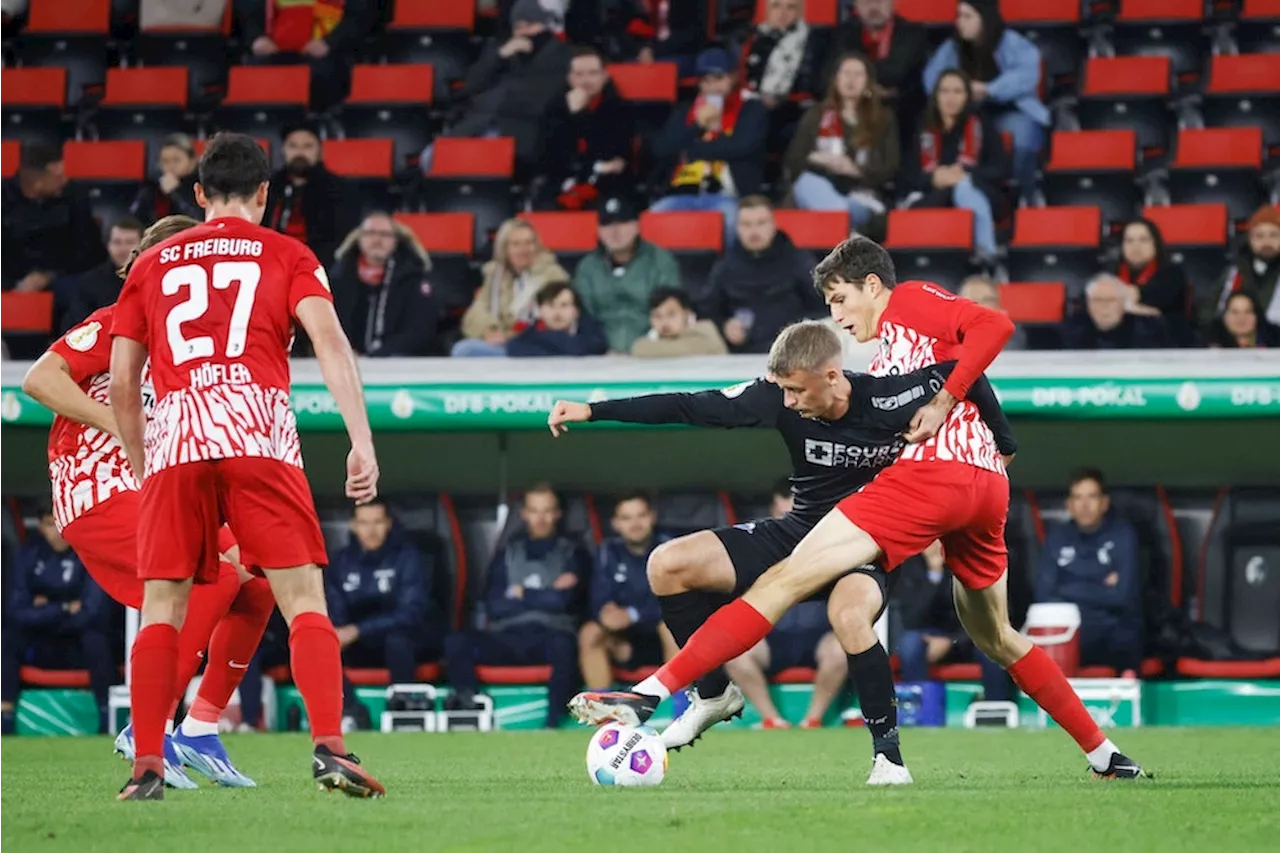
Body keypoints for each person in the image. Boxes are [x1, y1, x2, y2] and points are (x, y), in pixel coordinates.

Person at [567, 235, 1147, 781]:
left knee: (780, 584)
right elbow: (958, 376)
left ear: (873, 285)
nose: (838, 317)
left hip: (933, 480)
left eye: (840, 299)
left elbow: (992, 327)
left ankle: (650, 691)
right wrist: (1004, 442)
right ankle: (1105, 756)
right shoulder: (892, 366)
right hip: (986, 488)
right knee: (997, 636)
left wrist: (949, 404)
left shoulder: (909, 304)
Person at [548, 318, 1015, 778]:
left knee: (849, 618)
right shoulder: (776, 396)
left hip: (863, 545)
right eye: (782, 391)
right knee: (668, 564)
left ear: (831, 377)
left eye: (796, 391)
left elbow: (964, 370)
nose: (787, 402)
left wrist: (1004, 445)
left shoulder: (886, 397)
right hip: (800, 534)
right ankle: (712, 694)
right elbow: (692, 406)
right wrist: (594, 410)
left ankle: (888, 759)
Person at [107, 132, 384, 799]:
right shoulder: (288, 253)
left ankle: (147, 762)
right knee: (302, 599)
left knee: (162, 608)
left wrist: (145, 457)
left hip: (178, 437)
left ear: (198, 194)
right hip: (257, 432)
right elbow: (331, 343)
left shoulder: (154, 261)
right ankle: (329, 747)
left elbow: (122, 381)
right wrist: (360, 438)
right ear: (266, 192)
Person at [20, 215, 273, 789]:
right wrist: (121, 424)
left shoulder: (189, 347)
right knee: (211, 581)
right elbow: (39, 380)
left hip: (161, 489)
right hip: (97, 488)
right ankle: (146, 727)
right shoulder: (112, 324)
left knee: (259, 577)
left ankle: (201, 728)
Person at [442, 485, 590, 729]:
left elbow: (567, 602)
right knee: (456, 642)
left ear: (557, 514)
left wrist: (522, 594)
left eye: (547, 511)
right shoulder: (508, 552)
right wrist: (549, 592)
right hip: (506, 636)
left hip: (550, 636)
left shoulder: (573, 552)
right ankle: (470, 711)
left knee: (565, 646)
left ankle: (554, 723)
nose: (541, 518)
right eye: (534, 510)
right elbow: (494, 606)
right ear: (524, 513)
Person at [724, 487, 848, 730]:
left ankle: (813, 720)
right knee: (736, 654)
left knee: (843, 649)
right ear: (773, 509)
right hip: (772, 638)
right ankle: (772, 719)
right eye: (784, 507)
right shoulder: (757, 546)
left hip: (819, 636)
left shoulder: (832, 544)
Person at [326, 500, 440, 726]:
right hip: (355, 645)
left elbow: (411, 613)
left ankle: (404, 711)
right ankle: (352, 712)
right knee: (321, 646)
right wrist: (337, 633)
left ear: (388, 524)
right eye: (364, 523)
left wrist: (359, 630)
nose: (371, 530)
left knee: (398, 642)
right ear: (353, 525)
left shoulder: (408, 557)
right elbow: (334, 610)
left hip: (402, 641)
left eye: (378, 522)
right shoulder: (340, 562)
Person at [0, 508, 113, 736]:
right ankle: (6, 716)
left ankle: (106, 717)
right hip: (39, 642)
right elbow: (17, 610)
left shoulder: (89, 553)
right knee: (8, 637)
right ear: (41, 527)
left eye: (61, 524)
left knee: (96, 639)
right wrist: (64, 607)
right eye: (51, 524)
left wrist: (44, 607)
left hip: (77, 642)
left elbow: (92, 611)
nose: (58, 532)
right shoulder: (28, 555)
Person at [649, 48, 769, 248]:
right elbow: (661, 149)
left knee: (733, 222)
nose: (712, 86)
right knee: (653, 217)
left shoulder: (751, 108)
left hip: (728, 194)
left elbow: (742, 145)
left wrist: (691, 151)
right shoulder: (687, 110)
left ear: (732, 77)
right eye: (706, 80)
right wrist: (696, 126)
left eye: (718, 78)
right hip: (683, 192)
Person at [1034, 469, 1143, 674]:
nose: (1085, 505)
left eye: (1092, 497)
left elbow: (1123, 596)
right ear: (1069, 505)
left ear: (1104, 503)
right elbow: (1043, 595)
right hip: (1070, 630)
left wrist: (1067, 587)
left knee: (1127, 632)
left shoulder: (1123, 535)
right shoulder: (1057, 537)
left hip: (1112, 632)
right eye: (1078, 497)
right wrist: (1100, 584)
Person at [783, 52, 899, 231]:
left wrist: (855, 170)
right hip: (818, 188)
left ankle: (840, 226)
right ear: (835, 79)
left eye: (858, 74)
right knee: (808, 182)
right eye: (845, 73)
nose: (851, 80)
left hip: (860, 195)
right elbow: (793, 161)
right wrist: (818, 158)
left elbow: (890, 166)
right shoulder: (816, 114)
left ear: (868, 82)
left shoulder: (883, 118)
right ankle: (843, 229)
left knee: (853, 210)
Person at [902, 69, 1006, 262]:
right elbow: (907, 175)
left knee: (964, 189)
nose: (951, 98)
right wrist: (934, 178)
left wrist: (965, 173)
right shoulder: (923, 126)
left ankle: (986, 254)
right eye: (945, 91)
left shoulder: (981, 123)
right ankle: (987, 256)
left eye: (958, 91)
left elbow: (999, 169)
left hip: (978, 191)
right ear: (936, 96)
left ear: (967, 96)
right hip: (931, 195)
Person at [578, 494, 676, 694]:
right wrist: (605, 613)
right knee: (590, 633)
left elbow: (676, 603)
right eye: (626, 518)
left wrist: (632, 614)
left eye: (641, 516)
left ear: (652, 517)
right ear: (615, 524)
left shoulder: (670, 549)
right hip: (625, 640)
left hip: (665, 640)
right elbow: (598, 597)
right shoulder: (608, 551)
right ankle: (603, 713)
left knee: (672, 627)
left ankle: (681, 713)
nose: (635, 524)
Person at [701, 196, 824, 354]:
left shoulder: (797, 260)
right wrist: (724, 326)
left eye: (761, 223)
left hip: (793, 353)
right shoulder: (725, 265)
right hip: (738, 356)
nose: (754, 231)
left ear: (773, 225)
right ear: (737, 227)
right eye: (746, 224)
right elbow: (708, 309)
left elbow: (822, 304)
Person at [572, 194, 681, 354]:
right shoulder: (588, 267)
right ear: (598, 230)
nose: (615, 231)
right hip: (598, 355)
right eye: (607, 225)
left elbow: (671, 309)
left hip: (653, 351)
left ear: (637, 226)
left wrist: (647, 346)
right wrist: (599, 348)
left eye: (622, 223)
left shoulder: (660, 261)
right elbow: (582, 315)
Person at [454, 219, 571, 356]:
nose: (524, 249)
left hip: (538, 345)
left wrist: (513, 336)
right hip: (503, 343)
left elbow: (560, 318)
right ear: (505, 249)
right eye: (516, 244)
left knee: (465, 351)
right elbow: (476, 312)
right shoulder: (494, 275)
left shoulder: (553, 276)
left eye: (529, 243)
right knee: (463, 349)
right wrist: (488, 331)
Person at [331, 212, 441, 356]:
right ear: (359, 238)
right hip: (346, 358)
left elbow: (419, 331)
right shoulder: (339, 276)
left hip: (396, 360)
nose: (377, 240)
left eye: (385, 234)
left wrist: (378, 355)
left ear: (396, 240)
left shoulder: (414, 277)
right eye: (370, 233)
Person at [1115, 218, 1193, 346]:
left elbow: (1162, 298)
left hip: (1167, 343)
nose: (1136, 246)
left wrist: (1132, 297)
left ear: (1155, 243)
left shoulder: (1172, 272)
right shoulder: (1110, 272)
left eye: (1143, 240)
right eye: (1129, 241)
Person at [1060, 273, 1170, 350]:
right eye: (1097, 300)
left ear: (1123, 303)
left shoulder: (1148, 330)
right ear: (1088, 304)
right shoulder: (1071, 332)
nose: (1104, 306)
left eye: (1111, 300)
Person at [506, 282, 608, 357]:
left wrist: (547, 340)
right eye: (551, 305)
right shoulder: (528, 334)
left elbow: (589, 348)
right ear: (540, 310)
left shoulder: (593, 332)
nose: (557, 312)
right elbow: (514, 348)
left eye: (564, 305)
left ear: (576, 311)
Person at [629, 287, 728, 357]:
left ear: (687, 314)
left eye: (671, 314)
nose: (664, 322)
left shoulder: (705, 331)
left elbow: (704, 346)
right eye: (657, 316)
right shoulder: (651, 340)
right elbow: (638, 348)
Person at [129, 134, 202, 225]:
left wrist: (177, 191)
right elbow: (135, 219)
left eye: (177, 160)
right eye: (165, 161)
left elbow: (198, 219)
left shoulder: (202, 186)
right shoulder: (152, 188)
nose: (171, 166)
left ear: (192, 161)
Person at [1207, 291, 1280, 348]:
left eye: (1248, 312)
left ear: (1256, 316)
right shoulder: (1208, 342)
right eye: (1235, 312)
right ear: (1225, 316)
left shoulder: (1274, 339)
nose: (1241, 318)